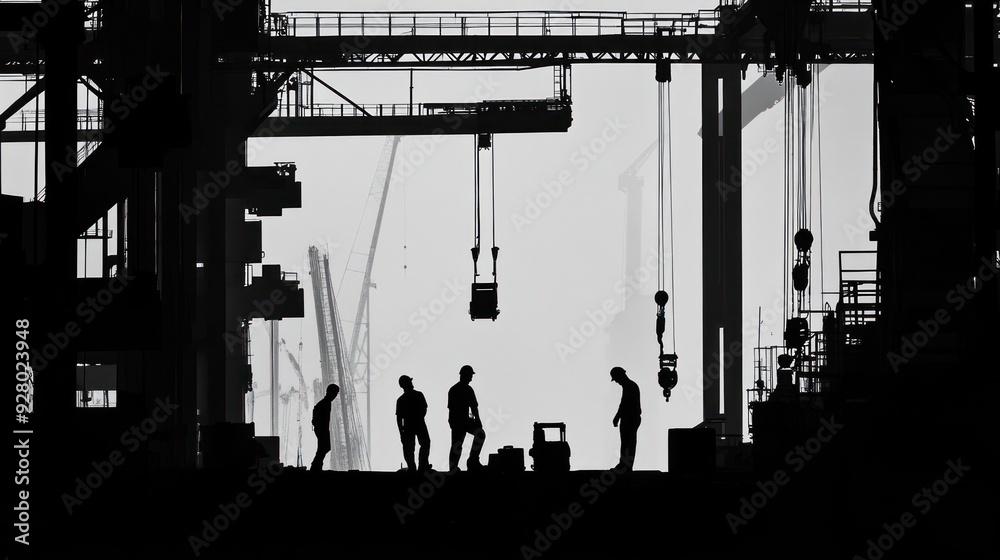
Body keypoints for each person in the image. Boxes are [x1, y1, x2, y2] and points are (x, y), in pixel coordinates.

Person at [448, 365, 486, 472]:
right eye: (470, 376)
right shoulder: (464, 390)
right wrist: (477, 421)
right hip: (459, 421)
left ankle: (471, 462)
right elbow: (473, 407)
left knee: (457, 444)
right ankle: (462, 465)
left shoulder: (454, 389)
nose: (471, 378)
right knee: (458, 444)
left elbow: (473, 407)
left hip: (459, 420)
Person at [396, 375, 431, 472]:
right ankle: (421, 466)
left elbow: (399, 418)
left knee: (410, 447)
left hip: (410, 425)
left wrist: (402, 432)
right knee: (421, 444)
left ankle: (415, 467)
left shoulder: (402, 400)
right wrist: (419, 418)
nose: (411, 384)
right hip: (418, 424)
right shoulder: (417, 395)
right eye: (409, 382)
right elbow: (424, 409)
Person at [610, 366, 641, 472]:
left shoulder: (630, 386)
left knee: (628, 442)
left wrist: (617, 416)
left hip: (630, 418)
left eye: (616, 379)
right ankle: (624, 464)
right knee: (627, 442)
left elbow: (624, 404)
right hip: (629, 418)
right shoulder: (629, 386)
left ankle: (625, 466)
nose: (616, 381)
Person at [310, 384, 339, 471]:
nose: (335, 396)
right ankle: (315, 466)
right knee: (323, 448)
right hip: (322, 429)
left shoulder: (325, 403)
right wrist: (320, 427)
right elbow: (317, 416)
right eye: (335, 393)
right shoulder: (324, 403)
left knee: (324, 448)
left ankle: (316, 466)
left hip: (323, 429)